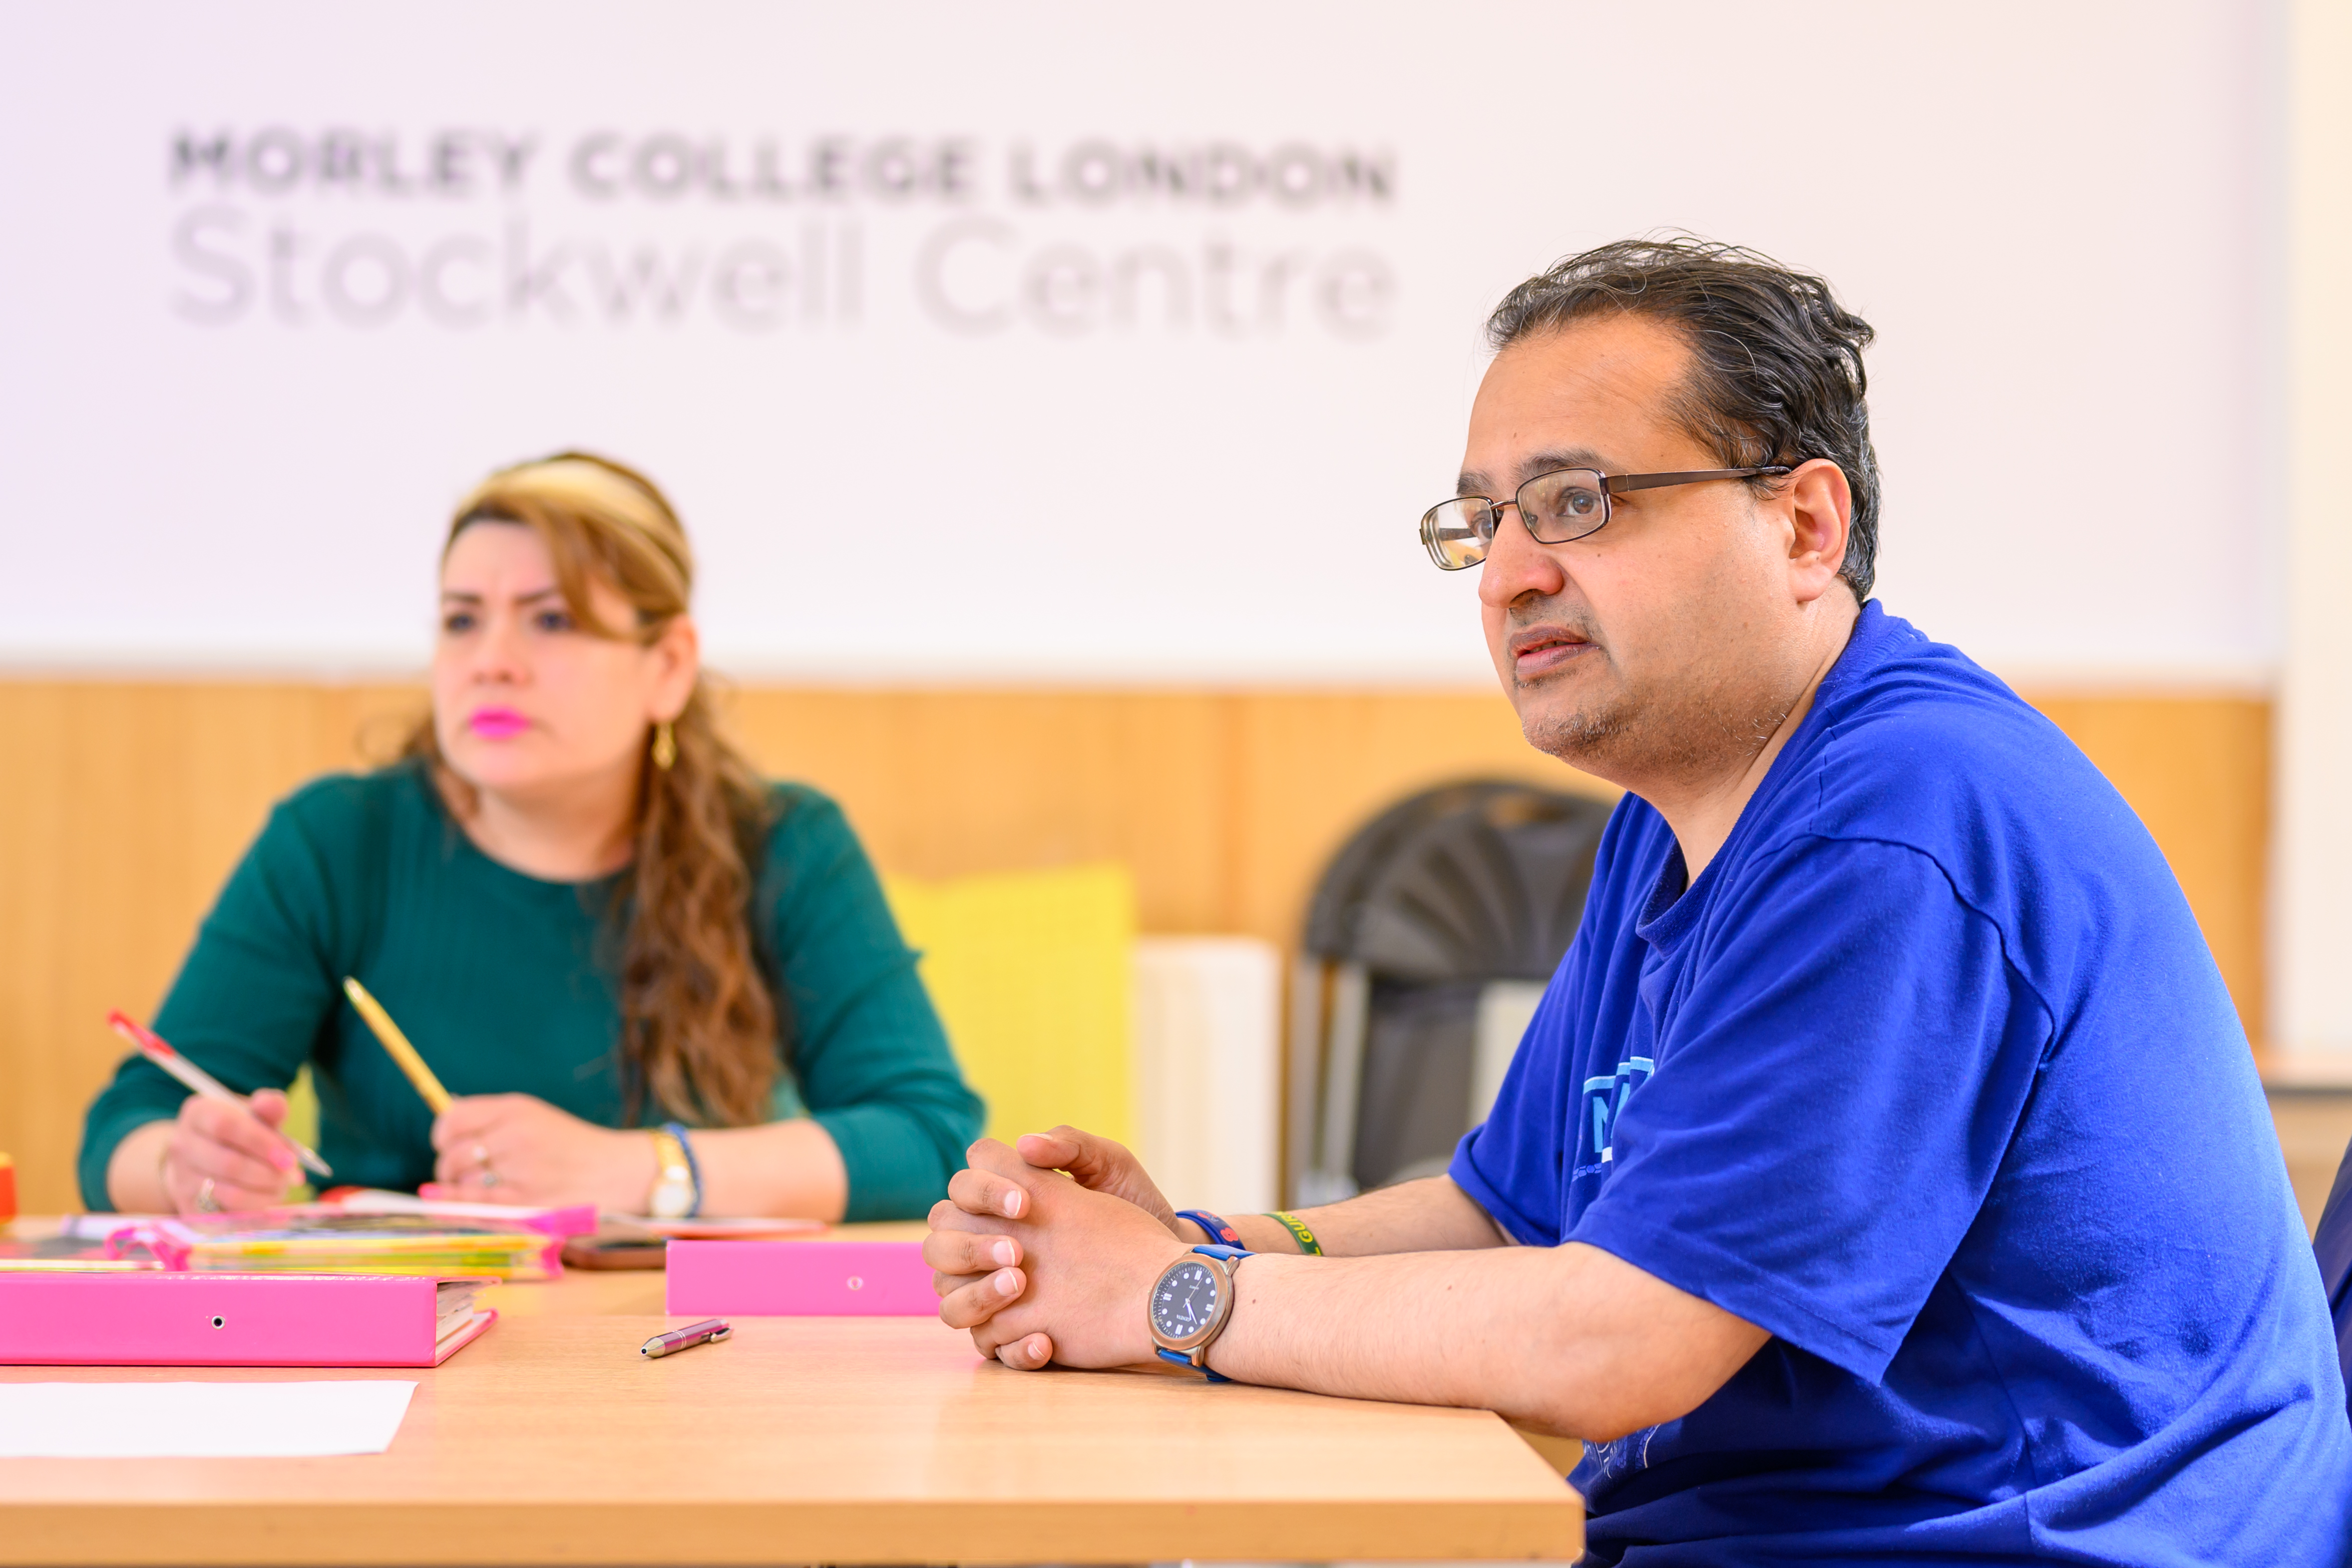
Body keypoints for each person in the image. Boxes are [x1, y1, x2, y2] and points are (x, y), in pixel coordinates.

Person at [925, 240, 2352, 1562]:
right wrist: (1197, 1241)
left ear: (1802, 524)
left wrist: (1166, 1303)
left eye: (1575, 502)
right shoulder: (1673, 809)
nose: (1508, 573)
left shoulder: (1900, 822)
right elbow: (1509, 1218)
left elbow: (1618, 1341)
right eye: (1480, 521)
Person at [82, 453, 982, 1222]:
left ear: (666, 666)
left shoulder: (785, 843)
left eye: (550, 620)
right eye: (461, 619)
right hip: (409, 1340)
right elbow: (126, 1131)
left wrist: (637, 1173)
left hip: (693, 1346)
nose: (492, 660)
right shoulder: (334, 841)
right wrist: (182, 1163)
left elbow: (929, 1134)